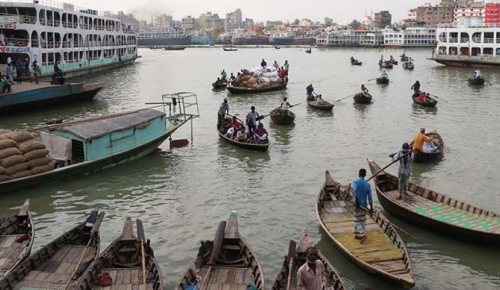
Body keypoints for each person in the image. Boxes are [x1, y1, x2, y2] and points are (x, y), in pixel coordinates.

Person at [352, 168, 373, 241]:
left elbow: (354, 191)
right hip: (364, 205)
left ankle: (362, 234)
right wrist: (371, 207)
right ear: (365, 175)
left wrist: (357, 200)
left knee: (357, 220)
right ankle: (357, 234)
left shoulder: (355, 182)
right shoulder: (367, 184)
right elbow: (370, 197)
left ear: (359, 174)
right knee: (362, 220)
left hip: (357, 204)